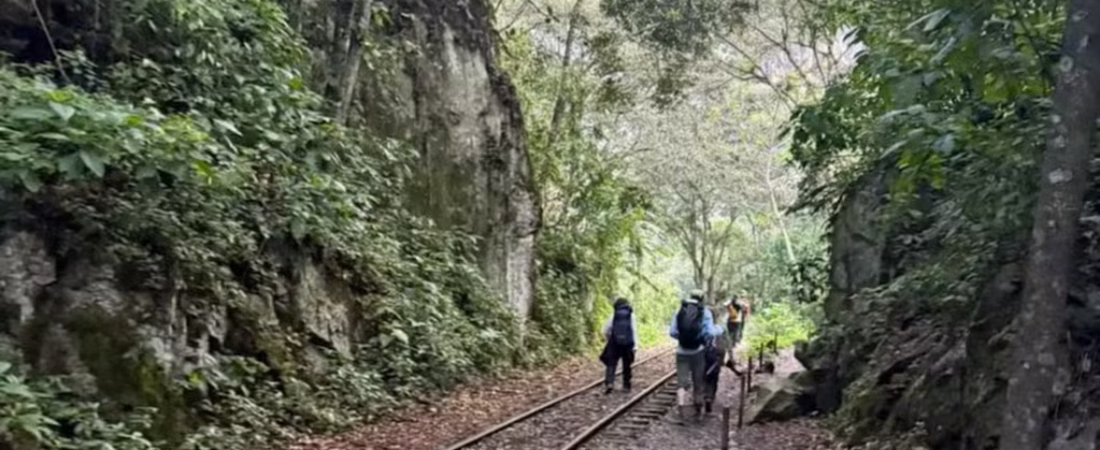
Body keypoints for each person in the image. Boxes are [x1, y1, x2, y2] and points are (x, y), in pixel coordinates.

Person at [669, 289, 722, 423]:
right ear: (702, 299)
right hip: (698, 351)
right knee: (698, 381)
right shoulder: (705, 312)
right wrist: (717, 330)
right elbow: (710, 333)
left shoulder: (680, 310)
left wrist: (683, 338)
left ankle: (680, 409)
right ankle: (698, 411)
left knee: (682, 382)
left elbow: (672, 332)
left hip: (681, 351)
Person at [601, 297, 638, 394]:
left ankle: (609, 383)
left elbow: (605, 330)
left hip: (614, 342)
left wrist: (610, 338)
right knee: (627, 365)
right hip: (628, 344)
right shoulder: (631, 316)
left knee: (611, 363)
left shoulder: (614, 315)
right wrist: (635, 346)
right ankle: (626, 385)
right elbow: (634, 331)